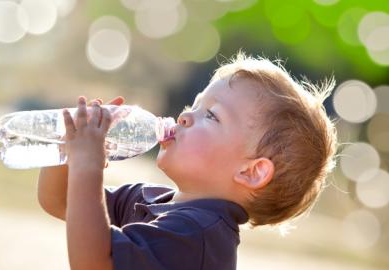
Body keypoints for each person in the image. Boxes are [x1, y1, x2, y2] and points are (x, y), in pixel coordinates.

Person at [37, 52, 338, 270]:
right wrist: (67, 149)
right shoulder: (152, 199)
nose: (184, 116)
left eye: (211, 115)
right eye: (194, 104)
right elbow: (60, 201)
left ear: (251, 171)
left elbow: (92, 263)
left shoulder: (198, 235)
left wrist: (87, 167)